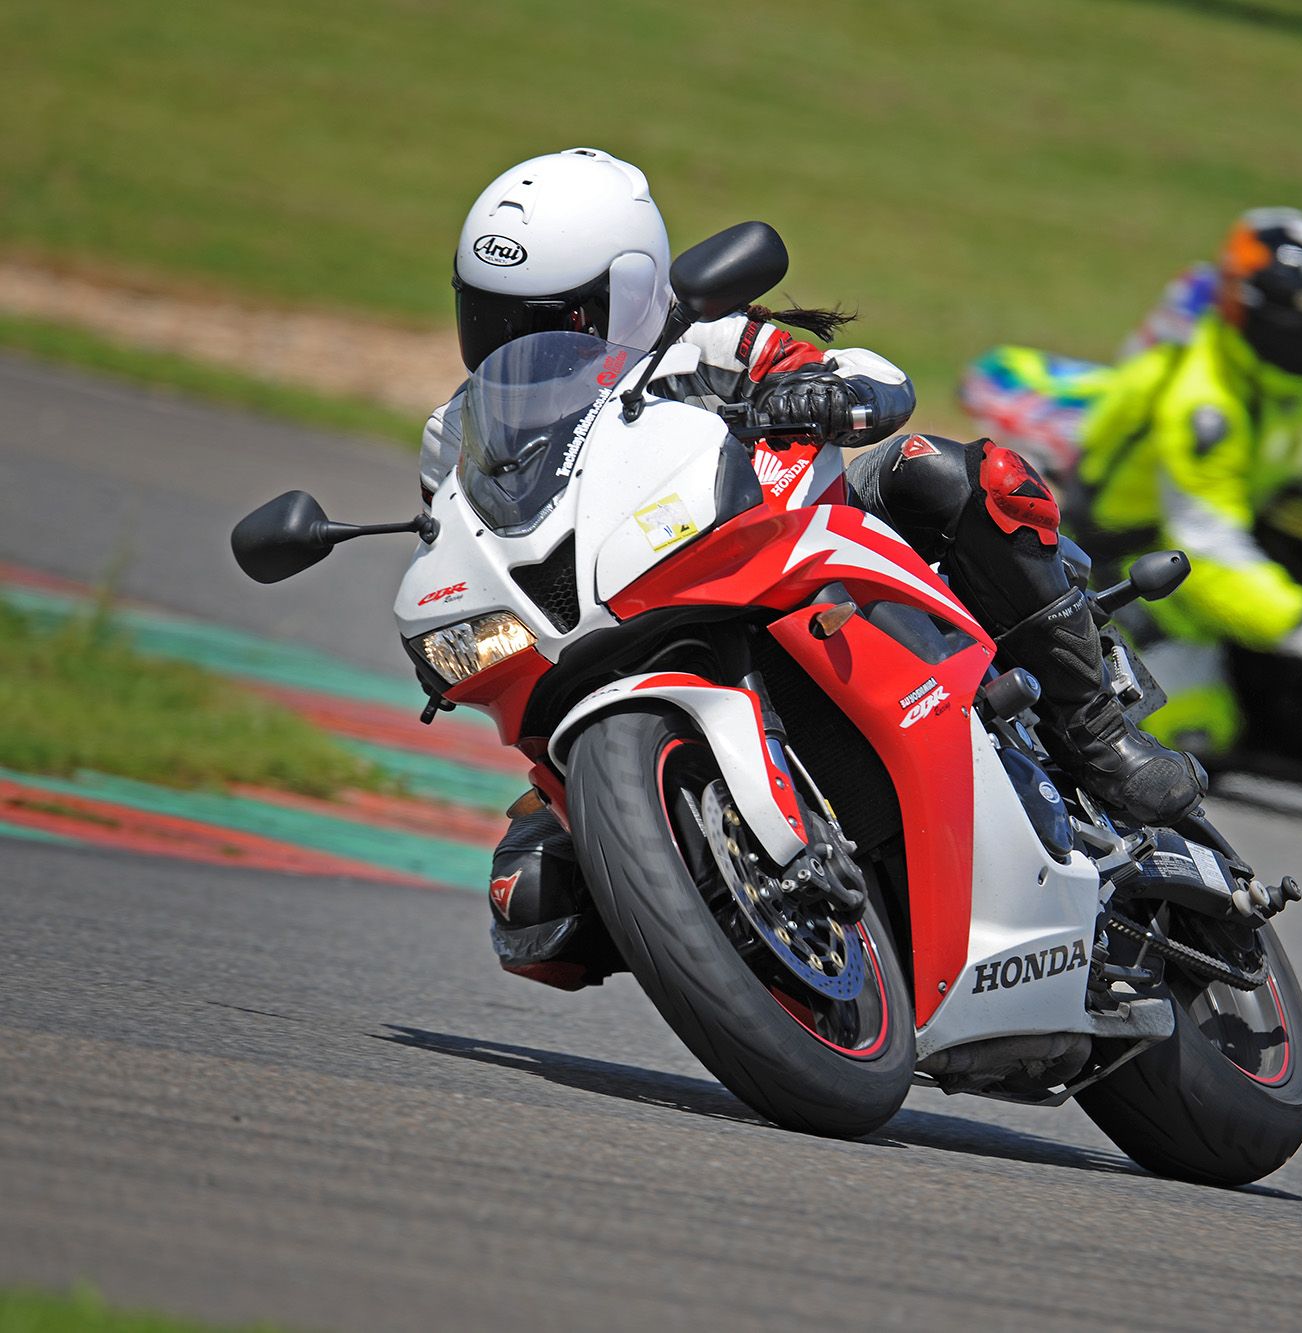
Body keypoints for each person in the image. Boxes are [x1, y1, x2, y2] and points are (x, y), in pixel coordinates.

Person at [429, 148, 1205, 988]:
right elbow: (458, 537)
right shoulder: (457, 436)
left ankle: (1093, 729)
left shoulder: (704, 339)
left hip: (797, 535)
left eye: (549, 321)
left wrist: (830, 393)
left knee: (947, 473)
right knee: (538, 900)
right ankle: (725, 904)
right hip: (615, 621)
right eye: (494, 318)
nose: (517, 344)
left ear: (627, 292)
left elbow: (855, 375)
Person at [1066, 208, 1302, 756]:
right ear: (1282, 323)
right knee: (1194, 736)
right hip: (1146, 561)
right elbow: (1206, 556)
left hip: (1260, 497)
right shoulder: (1204, 406)